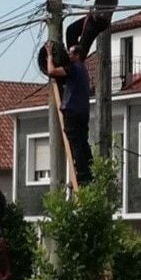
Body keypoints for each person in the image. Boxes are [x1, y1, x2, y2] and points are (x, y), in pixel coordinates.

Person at [46, 41, 93, 185]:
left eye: (70, 53)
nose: (68, 55)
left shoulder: (73, 68)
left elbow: (52, 72)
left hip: (72, 111)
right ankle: (90, 170)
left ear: (77, 55)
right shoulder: (83, 70)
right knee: (83, 142)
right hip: (83, 111)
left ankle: (83, 174)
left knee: (76, 143)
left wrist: (49, 56)